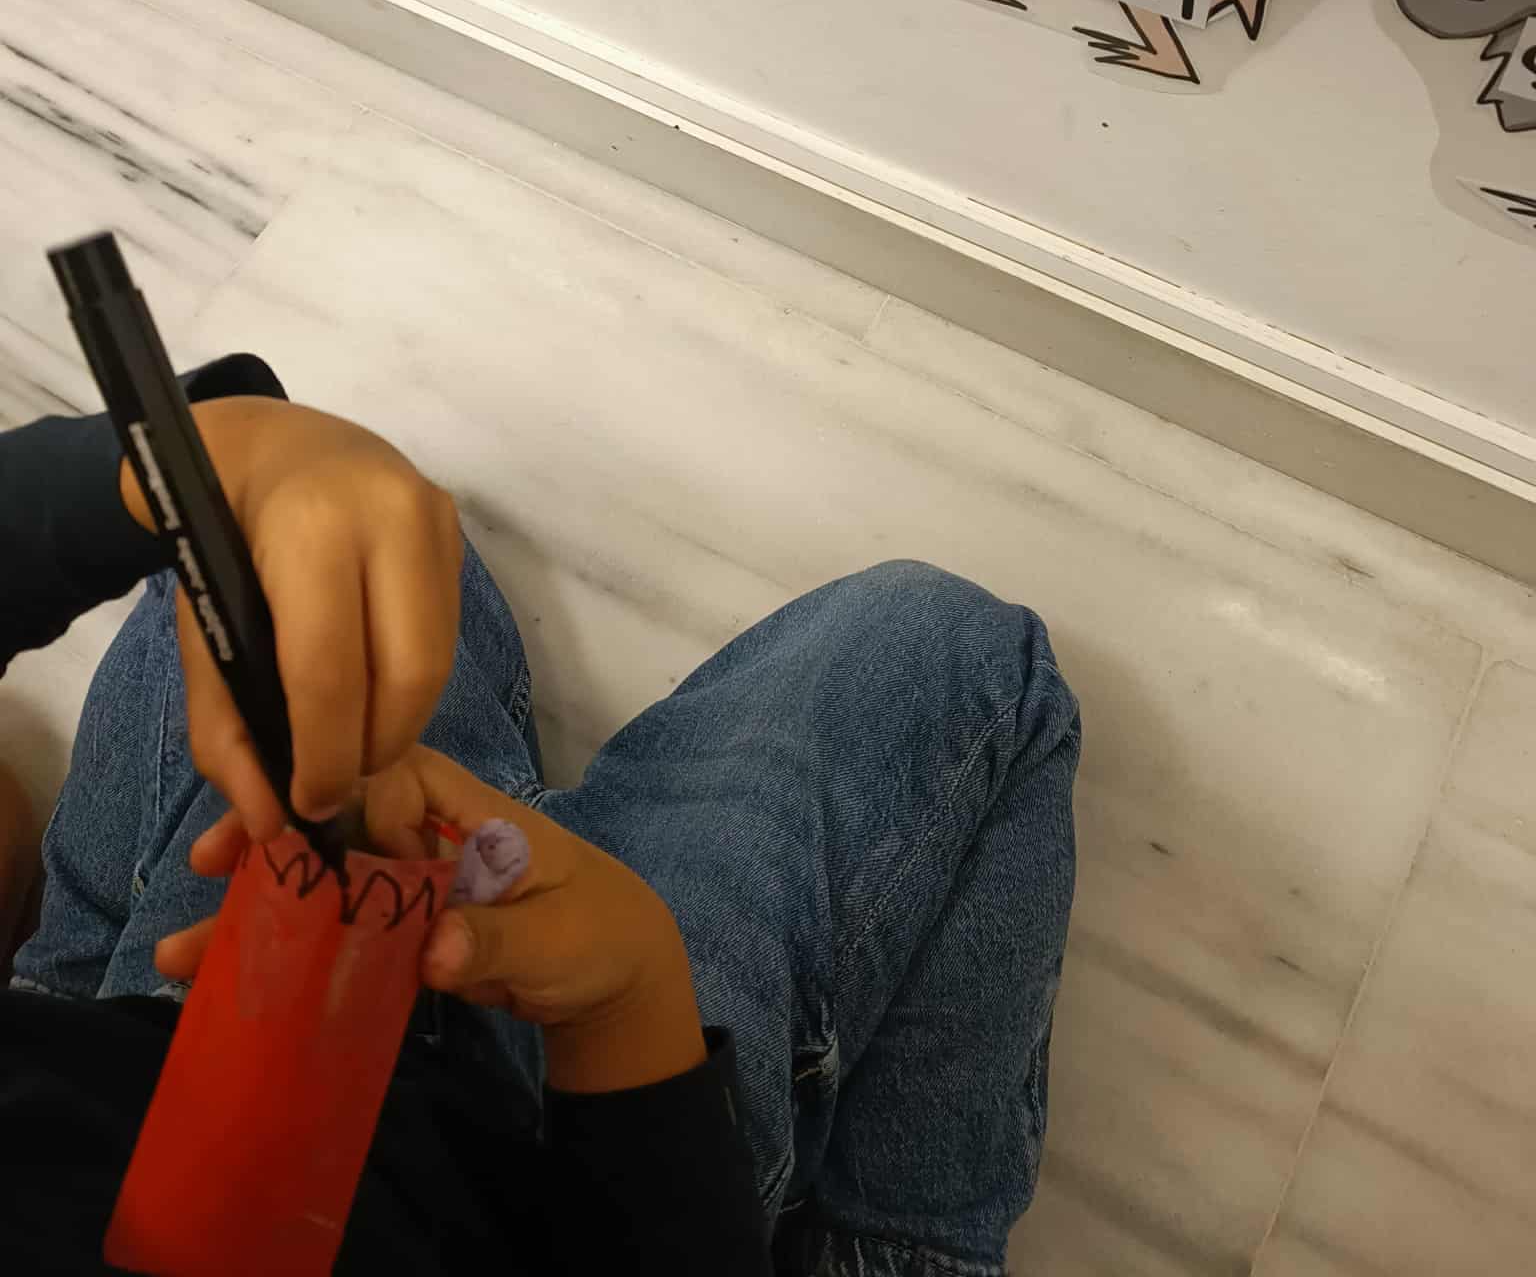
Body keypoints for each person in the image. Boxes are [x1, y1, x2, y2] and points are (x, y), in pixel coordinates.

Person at [0, 354, 1080, 1274]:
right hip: (570, 1194)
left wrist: (201, 465)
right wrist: (630, 1009)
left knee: (316, 569)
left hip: (139, 1048)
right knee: (949, 648)